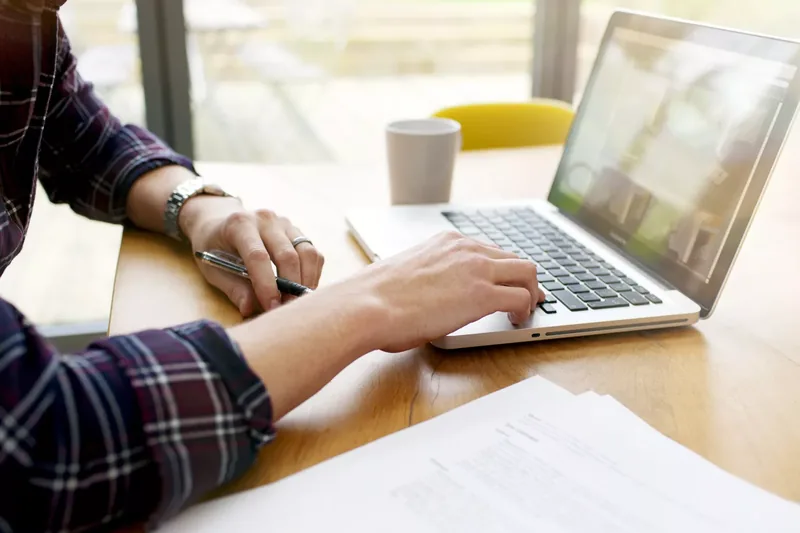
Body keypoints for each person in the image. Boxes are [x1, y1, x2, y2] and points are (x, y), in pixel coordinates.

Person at [0, 1, 543, 531]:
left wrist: (201, 208)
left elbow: (91, 144)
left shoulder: (27, 19)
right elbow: (53, 442)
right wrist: (370, 302)